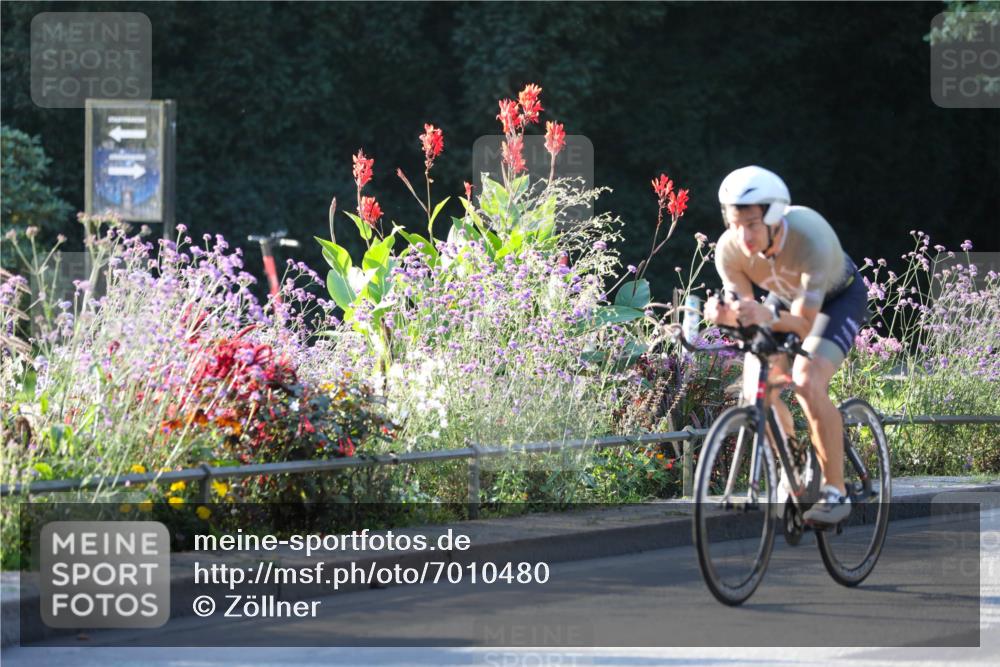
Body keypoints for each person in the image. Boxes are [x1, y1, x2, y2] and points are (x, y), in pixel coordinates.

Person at [703, 165, 869, 524]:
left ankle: (835, 492)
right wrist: (725, 314)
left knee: (807, 380)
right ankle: (793, 468)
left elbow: (804, 323)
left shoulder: (810, 236)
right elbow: (747, 318)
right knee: (756, 390)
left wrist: (761, 315)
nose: (741, 235)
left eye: (751, 225)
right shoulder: (729, 251)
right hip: (782, 301)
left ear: (775, 216)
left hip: (835, 300)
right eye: (734, 224)